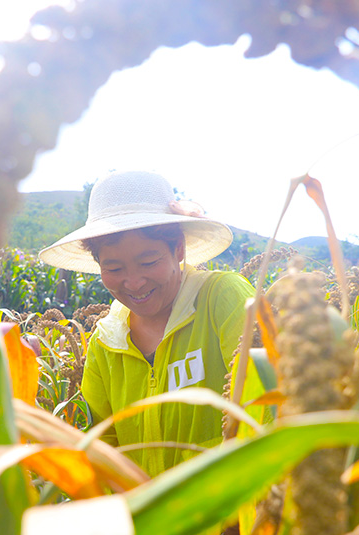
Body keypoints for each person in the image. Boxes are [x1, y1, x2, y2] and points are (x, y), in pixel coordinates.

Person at [39, 170, 255, 477]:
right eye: (114, 267)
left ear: (178, 250)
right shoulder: (105, 342)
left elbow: (267, 407)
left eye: (148, 262)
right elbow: (104, 448)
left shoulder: (222, 298)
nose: (134, 282)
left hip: (230, 517)